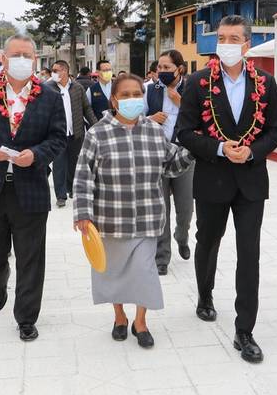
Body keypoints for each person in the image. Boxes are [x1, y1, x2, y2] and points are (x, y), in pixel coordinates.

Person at [176, 15, 277, 364]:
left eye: (234, 38)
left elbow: (275, 131)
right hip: (212, 178)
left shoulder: (265, 83)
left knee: (248, 252)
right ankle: (205, 295)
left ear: (247, 44)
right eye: (222, 37)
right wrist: (221, 149)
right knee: (207, 242)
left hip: (251, 180)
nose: (227, 43)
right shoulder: (197, 82)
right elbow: (185, 132)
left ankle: (244, 330)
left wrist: (251, 151)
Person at [0, 34, 66, 341]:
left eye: (27, 55)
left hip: (29, 189)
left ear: (35, 61)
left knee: (31, 257)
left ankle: (26, 317)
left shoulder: (49, 96)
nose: (21, 60)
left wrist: (37, 155)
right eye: (15, 54)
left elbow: (58, 138)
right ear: (3, 60)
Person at [74, 73, 194, 349]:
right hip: (110, 220)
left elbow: (172, 163)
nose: (132, 99)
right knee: (112, 273)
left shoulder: (153, 130)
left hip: (147, 219)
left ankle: (141, 321)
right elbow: (83, 177)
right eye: (125, 95)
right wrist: (82, 213)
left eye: (137, 94)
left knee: (144, 272)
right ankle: (119, 316)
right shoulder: (97, 134)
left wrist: (196, 148)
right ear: (114, 100)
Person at [145, 50, 193, 275]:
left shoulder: (192, 89)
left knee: (185, 208)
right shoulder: (150, 90)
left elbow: (202, 118)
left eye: (167, 68)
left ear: (179, 69)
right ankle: (161, 256)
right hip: (157, 155)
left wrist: (181, 102)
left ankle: (182, 236)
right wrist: (150, 119)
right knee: (160, 208)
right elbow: (135, 118)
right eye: (159, 68)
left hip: (184, 154)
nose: (162, 72)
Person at [45, 59, 97, 208]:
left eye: (56, 70)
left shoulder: (77, 88)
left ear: (65, 71)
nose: (53, 74)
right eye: (53, 71)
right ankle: (61, 196)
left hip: (76, 132)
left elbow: (86, 108)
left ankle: (72, 189)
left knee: (75, 163)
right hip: (57, 134)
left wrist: (96, 126)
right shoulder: (48, 88)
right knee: (59, 165)